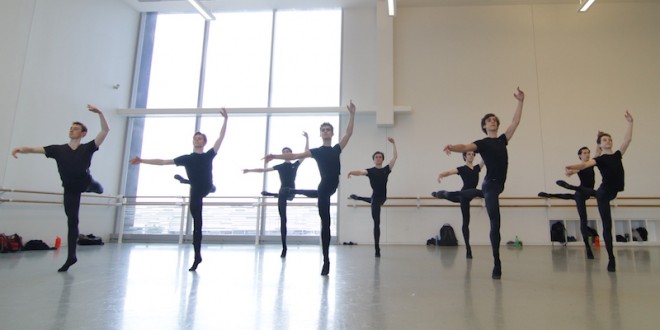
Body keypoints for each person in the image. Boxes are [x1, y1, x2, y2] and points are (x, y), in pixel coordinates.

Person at [12, 104, 110, 272]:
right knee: (72, 221)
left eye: (75, 128)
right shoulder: (58, 150)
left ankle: (97, 188)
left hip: (86, 182)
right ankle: (71, 256)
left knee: (98, 188)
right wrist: (21, 149)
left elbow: (105, 131)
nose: (71, 130)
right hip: (70, 189)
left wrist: (100, 113)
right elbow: (35, 149)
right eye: (71, 128)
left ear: (83, 133)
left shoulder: (88, 147)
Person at [129, 108, 228, 271]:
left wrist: (225, 120)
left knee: (210, 187)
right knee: (197, 225)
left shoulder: (209, 155)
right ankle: (197, 256)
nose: (198, 140)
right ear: (193, 141)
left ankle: (195, 183)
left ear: (204, 142)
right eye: (195, 138)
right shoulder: (186, 158)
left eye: (200, 139)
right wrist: (142, 160)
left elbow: (221, 137)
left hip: (206, 185)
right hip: (196, 190)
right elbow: (162, 162)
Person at [264, 101, 356, 276]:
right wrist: (274, 155)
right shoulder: (316, 151)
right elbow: (296, 155)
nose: (326, 132)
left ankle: (294, 192)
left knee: (322, 194)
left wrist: (352, 114)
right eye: (323, 130)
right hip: (323, 187)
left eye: (328, 129)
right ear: (321, 134)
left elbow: (349, 133)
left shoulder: (337, 148)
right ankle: (326, 260)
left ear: (332, 133)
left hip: (332, 185)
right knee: (326, 224)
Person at [443, 87, 525, 279]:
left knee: (477, 195)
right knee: (495, 222)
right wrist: (452, 147)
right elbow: (465, 147)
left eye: (494, 119)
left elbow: (515, 122)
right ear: (484, 126)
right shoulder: (482, 143)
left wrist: (520, 101)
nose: (493, 121)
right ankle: (497, 262)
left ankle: (453, 194)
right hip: (490, 184)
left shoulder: (503, 140)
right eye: (489, 120)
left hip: (499, 185)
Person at [565, 111, 633, 272]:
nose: (608, 141)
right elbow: (584, 165)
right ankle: (611, 258)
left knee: (601, 206)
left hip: (613, 191)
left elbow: (627, 140)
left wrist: (630, 122)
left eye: (609, 139)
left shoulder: (617, 155)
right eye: (604, 140)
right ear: (600, 145)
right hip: (603, 193)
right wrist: (571, 167)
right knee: (607, 225)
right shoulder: (599, 159)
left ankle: (575, 189)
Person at [243, 132, 310, 258]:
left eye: (288, 152)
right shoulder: (279, 166)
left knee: (287, 192)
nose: (285, 153)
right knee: (283, 220)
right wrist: (249, 170)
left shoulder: (295, 164)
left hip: (291, 192)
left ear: (291, 154)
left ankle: (272, 194)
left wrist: (307, 138)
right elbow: (263, 170)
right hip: (283, 192)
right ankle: (284, 247)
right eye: (284, 152)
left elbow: (305, 153)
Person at [538, 146, 599, 259]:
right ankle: (588, 248)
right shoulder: (580, 167)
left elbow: (598, 153)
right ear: (580, 155)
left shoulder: (591, 163)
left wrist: (598, 141)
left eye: (588, 153)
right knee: (583, 218)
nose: (587, 154)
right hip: (581, 193)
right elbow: (571, 172)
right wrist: (569, 172)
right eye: (584, 153)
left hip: (586, 191)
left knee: (588, 193)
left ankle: (564, 189)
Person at [347, 137, 398, 258]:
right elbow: (360, 172)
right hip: (375, 197)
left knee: (374, 202)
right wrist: (351, 172)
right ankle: (377, 248)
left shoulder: (387, 169)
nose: (378, 158)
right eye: (376, 157)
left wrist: (394, 143)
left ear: (382, 159)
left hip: (383, 197)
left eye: (380, 157)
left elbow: (395, 157)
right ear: (374, 160)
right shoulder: (370, 171)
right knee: (376, 222)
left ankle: (358, 197)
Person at [431, 151, 485, 259]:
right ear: (465, 156)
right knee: (466, 220)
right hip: (464, 195)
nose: (471, 156)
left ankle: (443, 194)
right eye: (469, 154)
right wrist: (441, 174)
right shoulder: (462, 169)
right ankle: (438, 194)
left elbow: (485, 157)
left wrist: (483, 149)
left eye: (473, 154)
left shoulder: (477, 168)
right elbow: (450, 172)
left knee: (475, 193)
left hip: (467, 195)